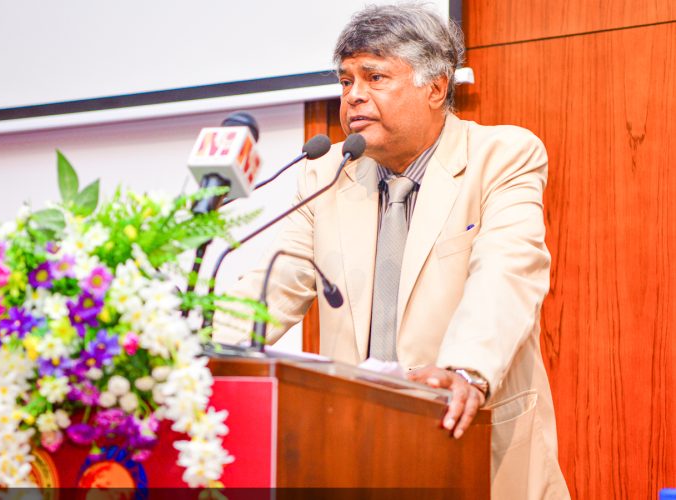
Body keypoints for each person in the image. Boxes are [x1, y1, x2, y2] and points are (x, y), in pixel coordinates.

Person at [213, 4, 570, 499]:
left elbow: (507, 271)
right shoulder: (326, 171)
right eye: (345, 81)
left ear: (436, 87)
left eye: (374, 77)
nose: (353, 95)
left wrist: (465, 369)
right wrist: (180, 353)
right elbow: (273, 285)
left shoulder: (501, 156)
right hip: (361, 448)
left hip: (473, 440)